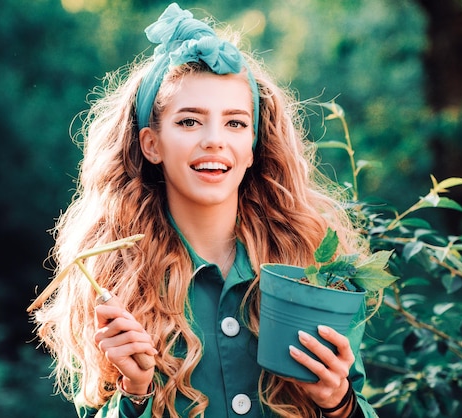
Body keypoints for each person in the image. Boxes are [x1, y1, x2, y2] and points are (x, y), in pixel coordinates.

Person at [32, 3, 378, 417]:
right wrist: (136, 392)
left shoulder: (312, 264)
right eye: (189, 122)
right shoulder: (109, 280)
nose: (214, 140)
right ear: (151, 144)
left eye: (234, 123)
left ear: (253, 146)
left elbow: (358, 404)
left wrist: (338, 404)